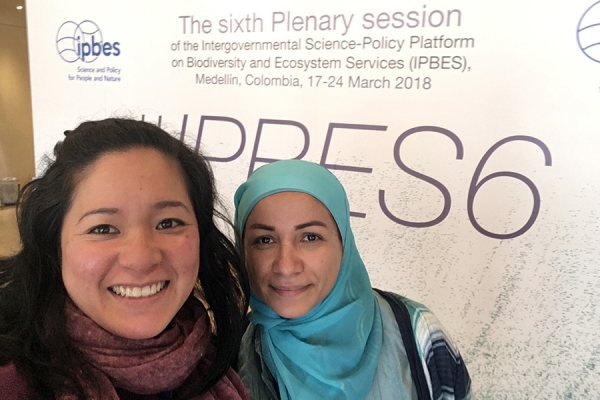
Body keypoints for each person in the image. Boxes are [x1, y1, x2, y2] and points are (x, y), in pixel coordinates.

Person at [0, 118, 250, 399]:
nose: (141, 259)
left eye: (168, 223)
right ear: (53, 245)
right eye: (103, 229)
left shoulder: (216, 359)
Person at [234, 159, 471, 400]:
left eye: (310, 237)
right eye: (264, 240)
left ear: (343, 244)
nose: (286, 266)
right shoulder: (227, 357)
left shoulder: (416, 333)